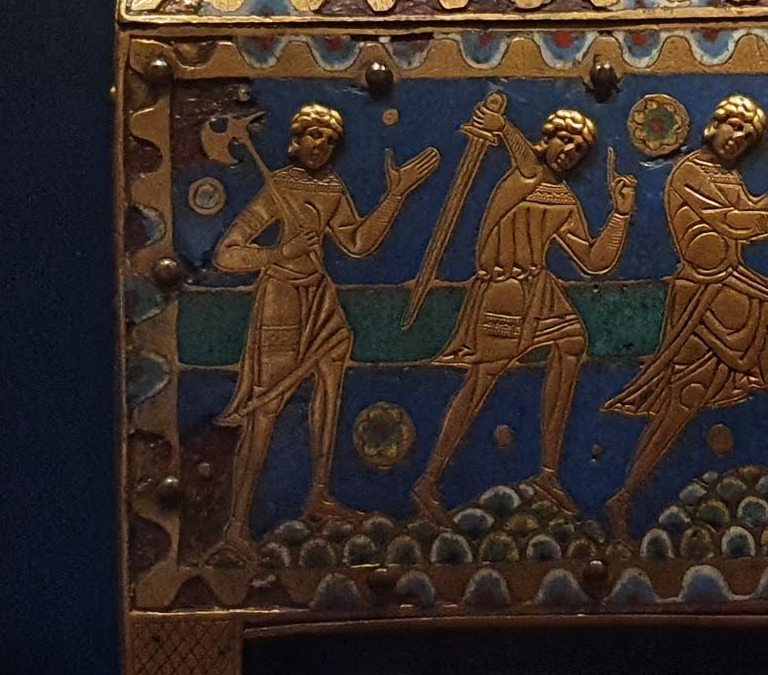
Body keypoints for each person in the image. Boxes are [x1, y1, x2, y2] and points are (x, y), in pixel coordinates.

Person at [603, 96, 768, 533]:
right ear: (713, 126)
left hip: (734, 283)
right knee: (686, 396)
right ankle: (625, 495)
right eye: (734, 126)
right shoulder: (689, 171)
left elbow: (755, 217)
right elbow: (734, 222)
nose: (739, 139)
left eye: (748, 136)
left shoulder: (726, 175)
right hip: (705, 291)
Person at [209, 104, 438, 553]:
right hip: (281, 299)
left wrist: (396, 195)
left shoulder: (332, 188)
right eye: (315, 135)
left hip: (320, 296)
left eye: (331, 140)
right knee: (267, 406)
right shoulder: (279, 187)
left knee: (331, 386)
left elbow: (357, 242)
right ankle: (236, 523)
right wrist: (277, 254)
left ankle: (318, 494)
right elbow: (226, 253)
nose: (323, 145)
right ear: (295, 141)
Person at [411, 103, 636, 520]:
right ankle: (429, 481)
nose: (570, 151)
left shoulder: (562, 197)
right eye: (564, 139)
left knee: (572, 343)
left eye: (580, 149)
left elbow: (594, 261)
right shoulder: (521, 177)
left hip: (539, 287)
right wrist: (505, 127)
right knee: (481, 382)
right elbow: (529, 166)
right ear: (544, 139)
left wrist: (620, 214)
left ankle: (548, 473)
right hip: (505, 290)